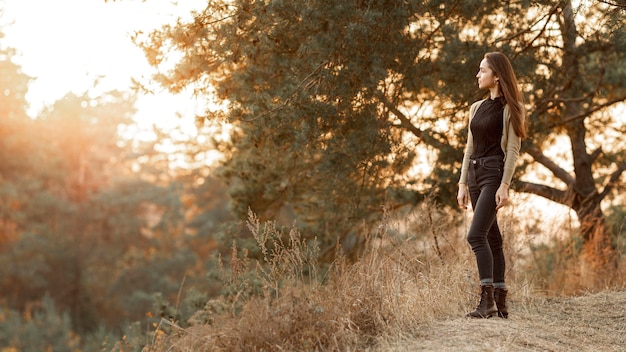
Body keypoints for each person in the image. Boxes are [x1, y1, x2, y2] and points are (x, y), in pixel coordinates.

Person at [457, 52, 526, 319]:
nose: (478, 74)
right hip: (474, 175)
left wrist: (505, 184)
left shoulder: (511, 109)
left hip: (493, 174)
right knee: (492, 238)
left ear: (497, 75)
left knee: (476, 236)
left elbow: (512, 149)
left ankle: (486, 302)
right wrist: (463, 182)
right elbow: (469, 148)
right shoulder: (476, 108)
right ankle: (500, 300)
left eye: (482, 70)